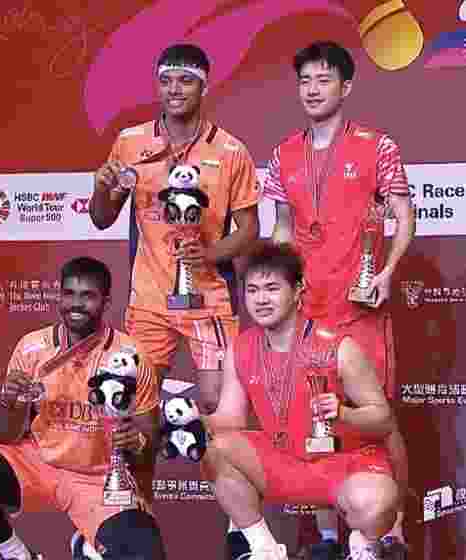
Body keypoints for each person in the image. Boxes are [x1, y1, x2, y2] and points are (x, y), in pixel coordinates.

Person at [262, 41, 414, 558]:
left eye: (324, 80)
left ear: (346, 86)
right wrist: (279, 293)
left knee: (377, 418)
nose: (312, 89)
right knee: (314, 419)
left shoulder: (379, 146)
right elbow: (282, 230)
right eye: (305, 80)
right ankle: (331, 536)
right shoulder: (282, 153)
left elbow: (403, 214)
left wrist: (388, 271)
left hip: (361, 305)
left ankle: (390, 532)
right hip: (309, 310)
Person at [0, 257, 167, 560]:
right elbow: (3, 435)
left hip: (97, 476)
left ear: (105, 301)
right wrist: (9, 401)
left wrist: (136, 443)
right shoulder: (32, 347)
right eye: (69, 293)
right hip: (38, 462)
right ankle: (16, 554)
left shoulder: (130, 355)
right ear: (59, 295)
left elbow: (149, 438)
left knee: (146, 554)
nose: (76, 304)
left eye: (87, 295)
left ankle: (86, 546)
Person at [197, 242, 403, 560]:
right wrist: (195, 421)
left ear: (297, 290)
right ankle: (264, 548)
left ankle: (363, 543)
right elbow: (231, 420)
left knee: (377, 502)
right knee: (216, 451)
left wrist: (343, 413)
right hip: (284, 463)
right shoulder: (241, 347)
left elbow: (383, 419)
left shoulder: (340, 347)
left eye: (271, 288)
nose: (261, 299)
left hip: (342, 464)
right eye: (252, 290)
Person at [90, 43, 260, 416]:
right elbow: (102, 218)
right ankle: (134, 477)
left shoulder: (231, 151)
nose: (174, 89)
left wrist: (210, 254)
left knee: (221, 408)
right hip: (149, 300)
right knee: (136, 407)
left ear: (204, 87)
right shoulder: (130, 142)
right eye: (166, 81)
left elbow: (250, 230)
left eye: (185, 81)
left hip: (210, 300)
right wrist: (101, 188)